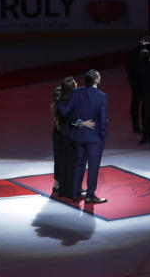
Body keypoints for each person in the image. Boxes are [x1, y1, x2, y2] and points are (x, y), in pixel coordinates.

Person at [57, 69, 108, 204]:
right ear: (96, 79)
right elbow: (103, 120)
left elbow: (65, 111)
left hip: (79, 136)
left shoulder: (76, 92)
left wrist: (58, 100)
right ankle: (90, 195)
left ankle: (75, 193)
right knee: (93, 167)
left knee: (79, 165)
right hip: (95, 138)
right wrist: (102, 136)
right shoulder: (102, 96)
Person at [126, 35, 148, 133]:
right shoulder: (132, 54)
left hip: (145, 83)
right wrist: (131, 81)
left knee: (145, 105)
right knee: (136, 103)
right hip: (136, 83)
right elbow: (129, 69)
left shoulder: (148, 54)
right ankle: (135, 125)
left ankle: (144, 124)